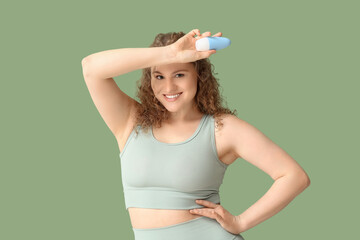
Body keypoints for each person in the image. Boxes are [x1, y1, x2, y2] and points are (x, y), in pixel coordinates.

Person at [81, 29, 311, 240]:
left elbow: (293, 176)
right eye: (158, 76)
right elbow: (91, 68)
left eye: (179, 74)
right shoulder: (131, 121)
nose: (168, 87)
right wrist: (169, 53)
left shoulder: (222, 129)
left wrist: (241, 222)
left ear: (198, 77)